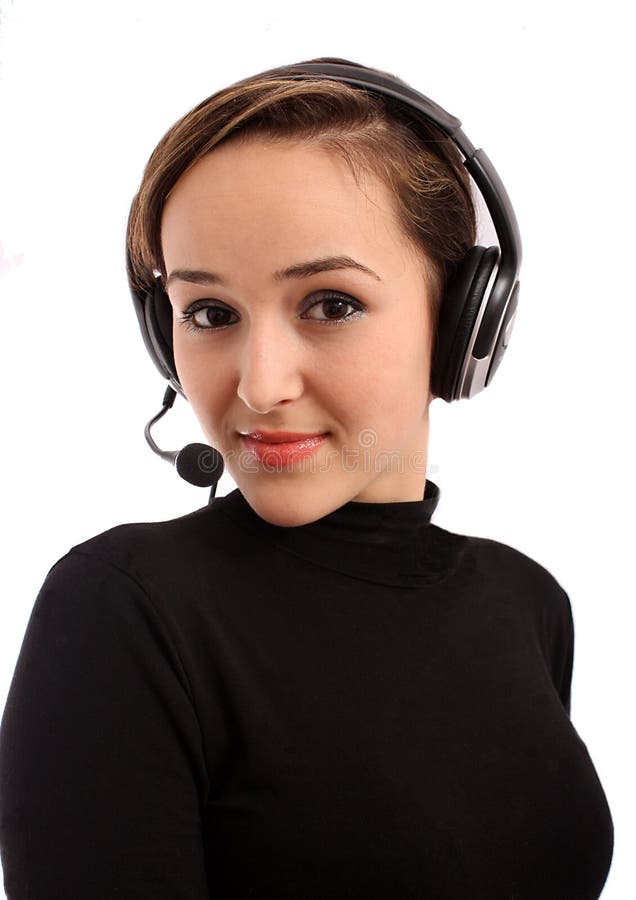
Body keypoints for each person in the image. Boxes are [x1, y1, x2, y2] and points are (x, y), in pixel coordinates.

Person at [0, 58, 614, 899]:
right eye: (210, 313)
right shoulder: (125, 612)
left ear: (465, 319)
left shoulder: (529, 603)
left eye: (330, 304)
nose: (259, 384)